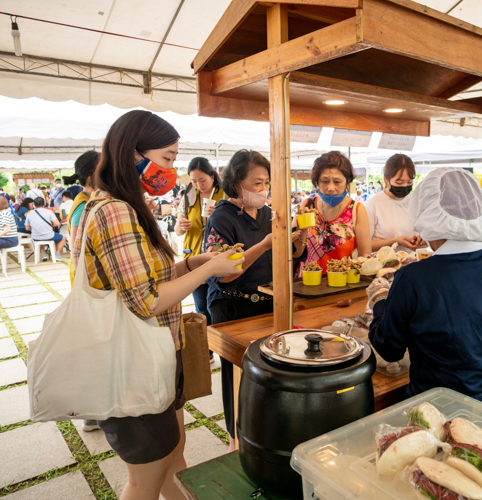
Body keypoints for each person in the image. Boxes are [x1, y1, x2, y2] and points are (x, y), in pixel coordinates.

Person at [72, 109, 243, 500]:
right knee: (144, 480)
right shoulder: (115, 210)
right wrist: (210, 268)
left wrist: (191, 263)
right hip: (132, 367)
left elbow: (144, 279)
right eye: (166, 157)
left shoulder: (127, 205)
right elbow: (146, 301)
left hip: (155, 359)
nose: (172, 168)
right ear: (132, 154)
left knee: (171, 459)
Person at [368, 168, 482, 412]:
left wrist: (379, 302)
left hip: (437, 410)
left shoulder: (412, 278)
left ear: (426, 214)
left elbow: (390, 348)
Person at [205, 149, 307, 453]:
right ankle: (237, 441)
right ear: (237, 183)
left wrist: (297, 246)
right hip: (233, 305)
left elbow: (284, 257)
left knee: (268, 375)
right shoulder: (220, 218)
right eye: (257, 183)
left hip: (266, 302)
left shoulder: (267, 214)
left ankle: (267, 436)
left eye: (267, 183)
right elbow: (223, 273)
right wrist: (263, 245)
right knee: (238, 376)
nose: (264, 190)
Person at [174, 157, 226, 361]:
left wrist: (220, 214)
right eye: (194, 181)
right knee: (201, 306)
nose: (198, 185)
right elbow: (177, 231)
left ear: (212, 176)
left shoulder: (225, 195)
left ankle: (221, 345)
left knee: (217, 306)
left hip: (217, 258)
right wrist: (181, 225)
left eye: (202, 180)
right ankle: (208, 349)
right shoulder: (188, 196)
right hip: (194, 257)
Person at [299, 151, 371, 271]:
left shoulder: (357, 210)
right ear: (316, 181)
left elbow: (365, 257)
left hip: (343, 285)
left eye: (337, 182)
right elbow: (293, 250)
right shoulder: (306, 206)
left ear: (347, 182)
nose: (331, 188)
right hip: (306, 284)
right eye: (324, 181)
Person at [365, 154, 425, 252]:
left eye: (409, 182)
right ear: (386, 179)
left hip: (412, 262)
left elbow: (423, 234)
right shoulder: (372, 205)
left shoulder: (416, 201)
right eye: (399, 183)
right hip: (382, 265)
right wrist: (395, 241)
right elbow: (365, 244)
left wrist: (421, 240)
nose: (405, 186)